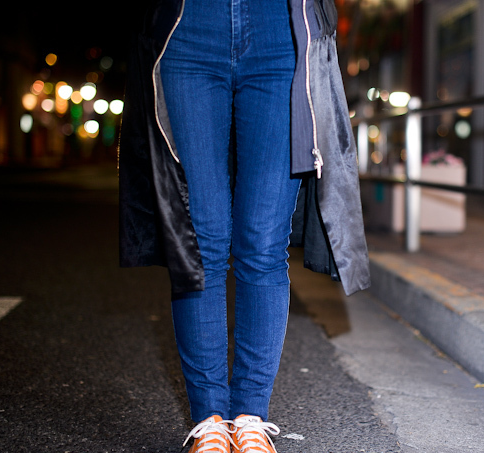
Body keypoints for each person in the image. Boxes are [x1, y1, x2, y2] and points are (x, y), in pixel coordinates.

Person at [118, 0, 370, 451]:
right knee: (202, 238)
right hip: (189, 29)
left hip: (282, 35)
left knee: (262, 242)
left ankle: (250, 416)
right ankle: (210, 419)